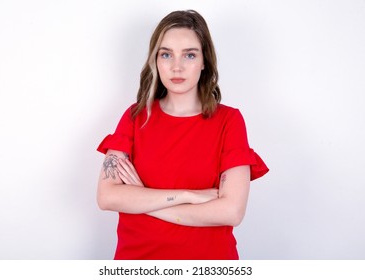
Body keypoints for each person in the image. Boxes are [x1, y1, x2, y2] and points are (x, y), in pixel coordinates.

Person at [96, 10, 269, 260]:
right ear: (155, 60)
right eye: (166, 54)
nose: (177, 66)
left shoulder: (228, 121)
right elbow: (107, 196)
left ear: (204, 61)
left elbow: (231, 212)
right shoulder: (135, 117)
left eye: (189, 54)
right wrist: (188, 196)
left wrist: (142, 195)